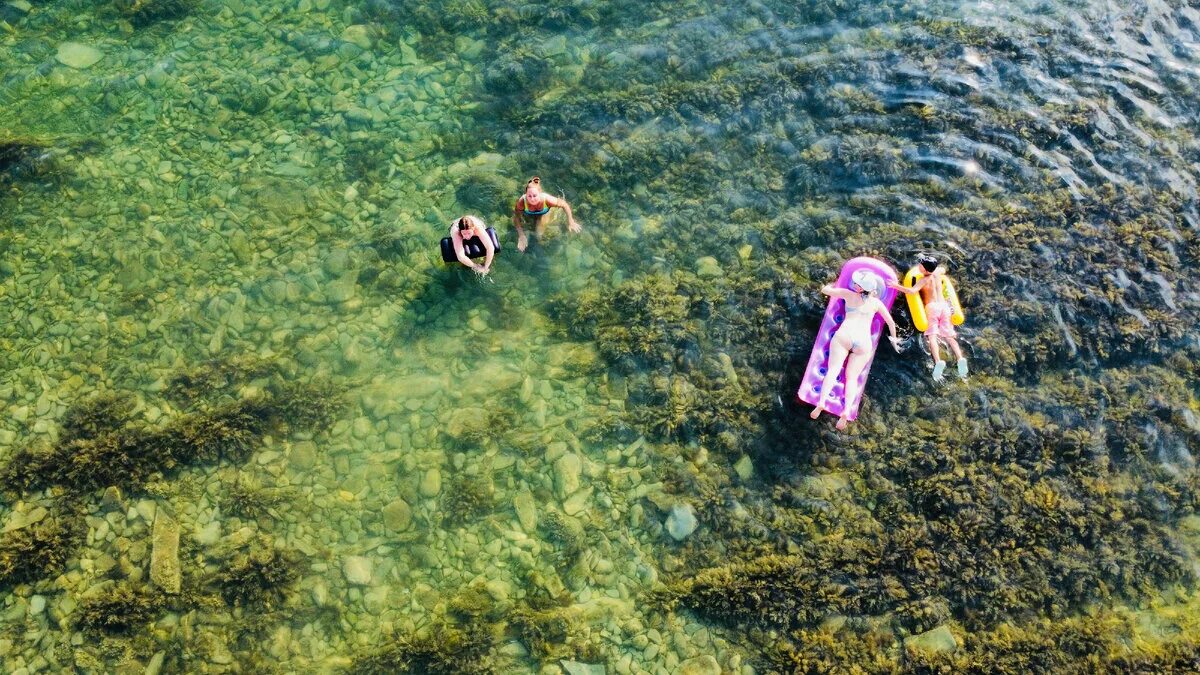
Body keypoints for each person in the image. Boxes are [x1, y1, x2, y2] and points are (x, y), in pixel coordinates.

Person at [810, 269, 901, 430]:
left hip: (844, 336)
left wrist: (832, 283)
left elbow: (825, 290)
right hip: (863, 343)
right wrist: (894, 340)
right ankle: (845, 411)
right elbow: (891, 323)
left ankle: (822, 403)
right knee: (851, 378)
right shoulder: (876, 303)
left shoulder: (848, 294)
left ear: (859, 288)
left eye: (856, 283)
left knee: (833, 370)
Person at [887, 255, 967, 382]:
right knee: (949, 337)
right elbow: (943, 269)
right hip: (944, 307)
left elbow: (912, 291)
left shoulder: (924, 279)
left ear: (925, 270)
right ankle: (960, 358)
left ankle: (938, 361)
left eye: (921, 265)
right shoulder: (937, 274)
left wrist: (895, 286)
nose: (919, 266)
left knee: (932, 336)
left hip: (932, 308)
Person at [512, 176, 581, 252]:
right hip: (529, 214)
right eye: (529, 196)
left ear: (540, 193)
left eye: (535, 195)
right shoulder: (522, 201)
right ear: (526, 194)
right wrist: (521, 235)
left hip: (544, 213)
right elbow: (516, 217)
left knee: (539, 235)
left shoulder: (547, 199)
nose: (532, 199)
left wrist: (571, 221)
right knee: (527, 231)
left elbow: (564, 205)